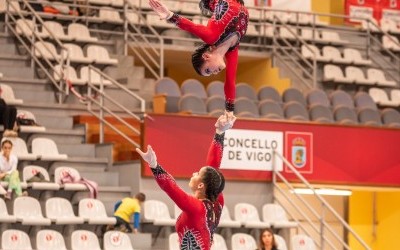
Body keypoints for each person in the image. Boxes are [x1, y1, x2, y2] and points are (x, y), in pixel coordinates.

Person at [136, 114, 236, 250]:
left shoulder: (196, 208)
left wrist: (154, 165)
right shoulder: (217, 200)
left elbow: (172, 188)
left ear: (201, 185)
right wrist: (219, 132)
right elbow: (213, 168)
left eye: (198, 173)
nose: (194, 173)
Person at [149, 0, 249, 115]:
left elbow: (191, 26)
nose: (214, 73)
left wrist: (169, 16)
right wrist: (229, 112)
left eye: (208, 70)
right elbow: (230, 82)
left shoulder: (212, 37)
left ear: (206, 56)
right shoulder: (233, 50)